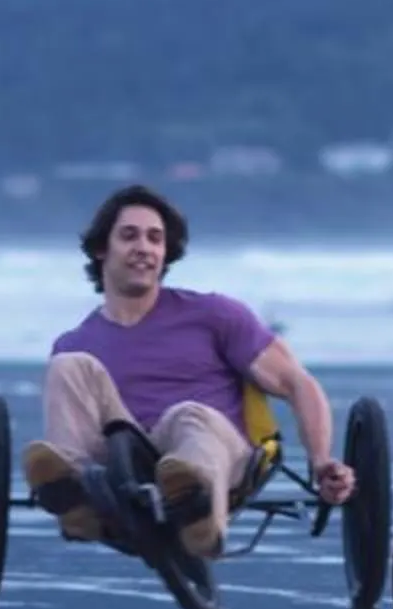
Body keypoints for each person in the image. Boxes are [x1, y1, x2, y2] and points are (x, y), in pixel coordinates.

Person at [24, 184, 354, 562]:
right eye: (129, 236)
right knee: (67, 364)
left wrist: (321, 460)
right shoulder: (75, 342)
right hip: (124, 461)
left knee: (188, 415)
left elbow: (298, 383)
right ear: (102, 248)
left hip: (216, 453)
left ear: (166, 253)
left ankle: (199, 519)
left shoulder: (214, 315)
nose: (144, 248)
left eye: (155, 238)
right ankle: (77, 500)